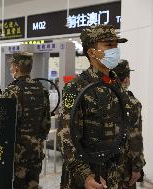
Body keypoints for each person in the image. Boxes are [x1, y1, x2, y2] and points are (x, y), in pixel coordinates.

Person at [57, 24, 129, 189]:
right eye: (108, 45)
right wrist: (86, 175)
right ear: (91, 52)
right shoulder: (76, 87)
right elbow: (66, 137)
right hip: (86, 178)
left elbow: (125, 128)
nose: (115, 50)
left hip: (113, 174)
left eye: (116, 45)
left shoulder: (116, 84)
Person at [2, 52, 51, 189]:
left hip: (18, 151)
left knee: (17, 184)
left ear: (16, 68)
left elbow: (6, 123)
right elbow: (46, 122)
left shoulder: (12, 90)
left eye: (11, 65)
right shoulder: (41, 88)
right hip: (36, 149)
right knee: (33, 184)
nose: (10, 68)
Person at [113, 60, 146, 189]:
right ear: (126, 79)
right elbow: (135, 137)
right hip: (123, 167)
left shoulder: (99, 99)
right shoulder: (132, 103)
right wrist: (137, 167)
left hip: (99, 166)